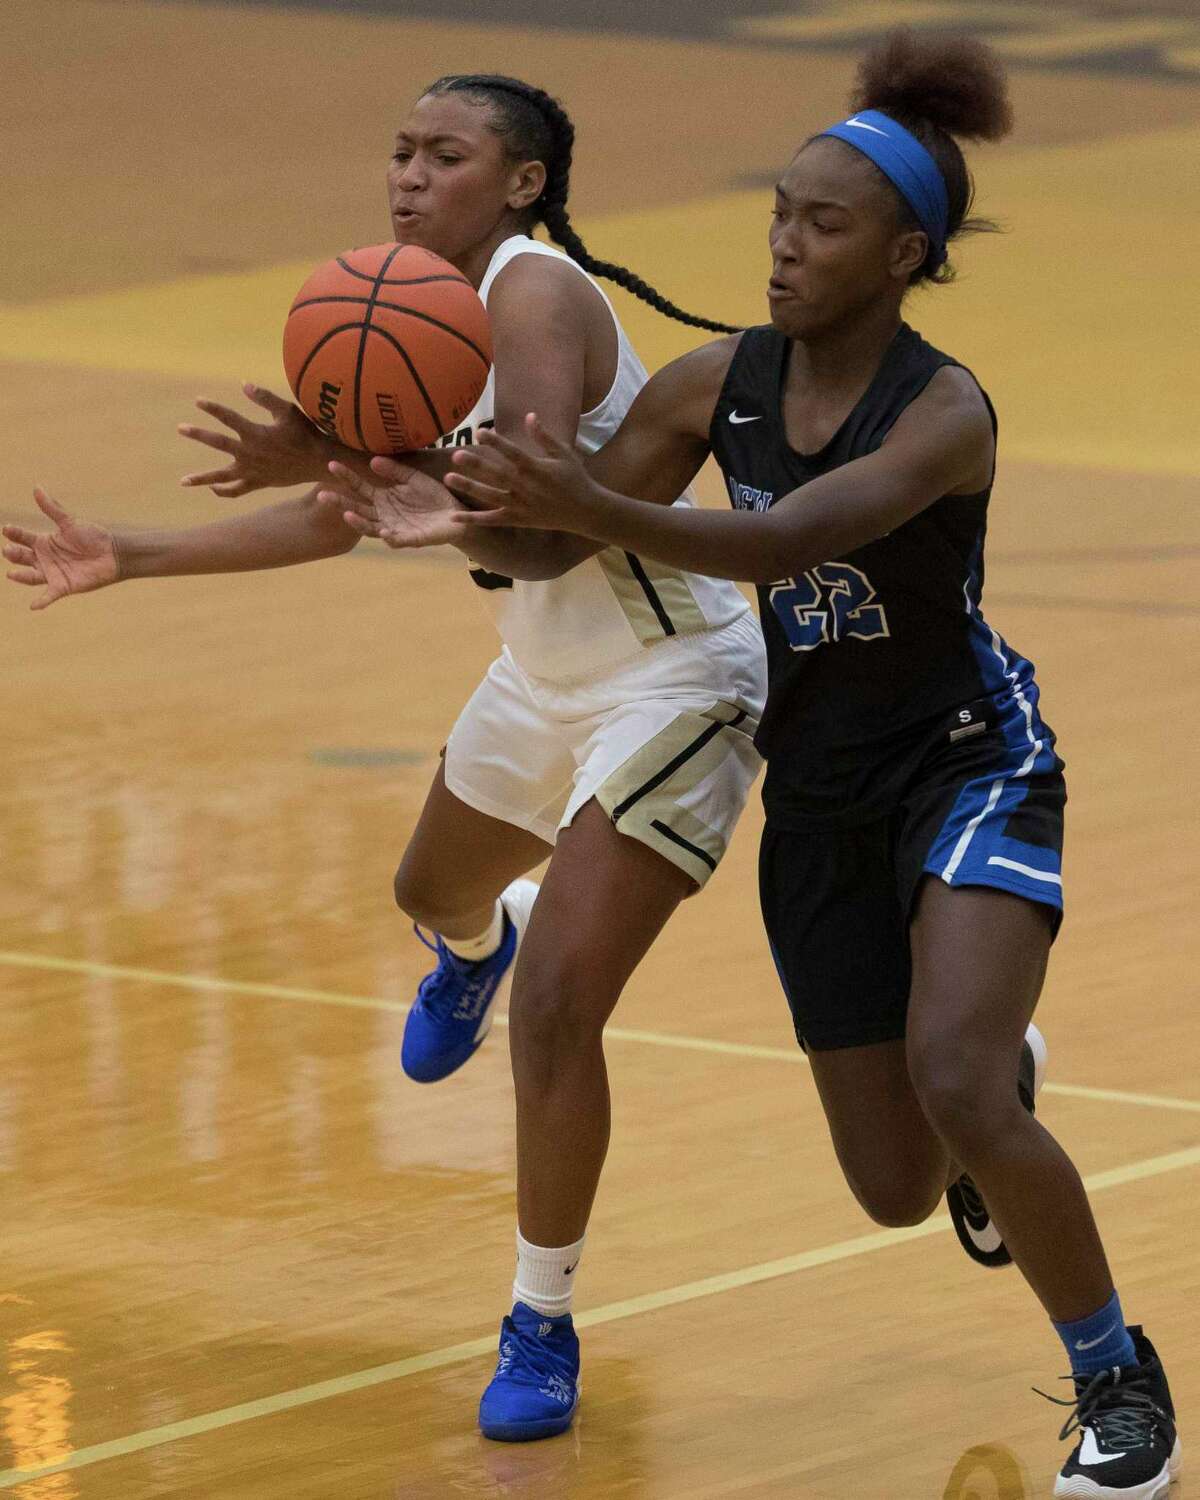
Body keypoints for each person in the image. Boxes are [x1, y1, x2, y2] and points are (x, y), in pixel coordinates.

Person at [348, 34, 1180, 1497]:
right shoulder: (716, 378)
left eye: (826, 224)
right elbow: (552, 544)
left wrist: (591, 496)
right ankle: (999, 1104)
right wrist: (453, 520)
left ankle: (1119, 1382)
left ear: (905, 252)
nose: (786, 247)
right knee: (895, 1183)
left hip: (971, 759)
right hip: (825, 793)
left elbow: (786, 540)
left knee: (955, 1077)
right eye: (779, 214)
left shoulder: (943, 412)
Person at [4, 75, 767, 1445]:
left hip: (674, 680)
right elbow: (348, 514)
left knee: (559, 1015)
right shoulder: (411, 311)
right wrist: (134, 554)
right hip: (541, 672)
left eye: (447, 155)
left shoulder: (532, 294)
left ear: (524, 183)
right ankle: (475, 946)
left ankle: (540, 1321)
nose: (410, 178)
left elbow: (527, 517)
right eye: (400, 152)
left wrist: (356, 459)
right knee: (429, 893)